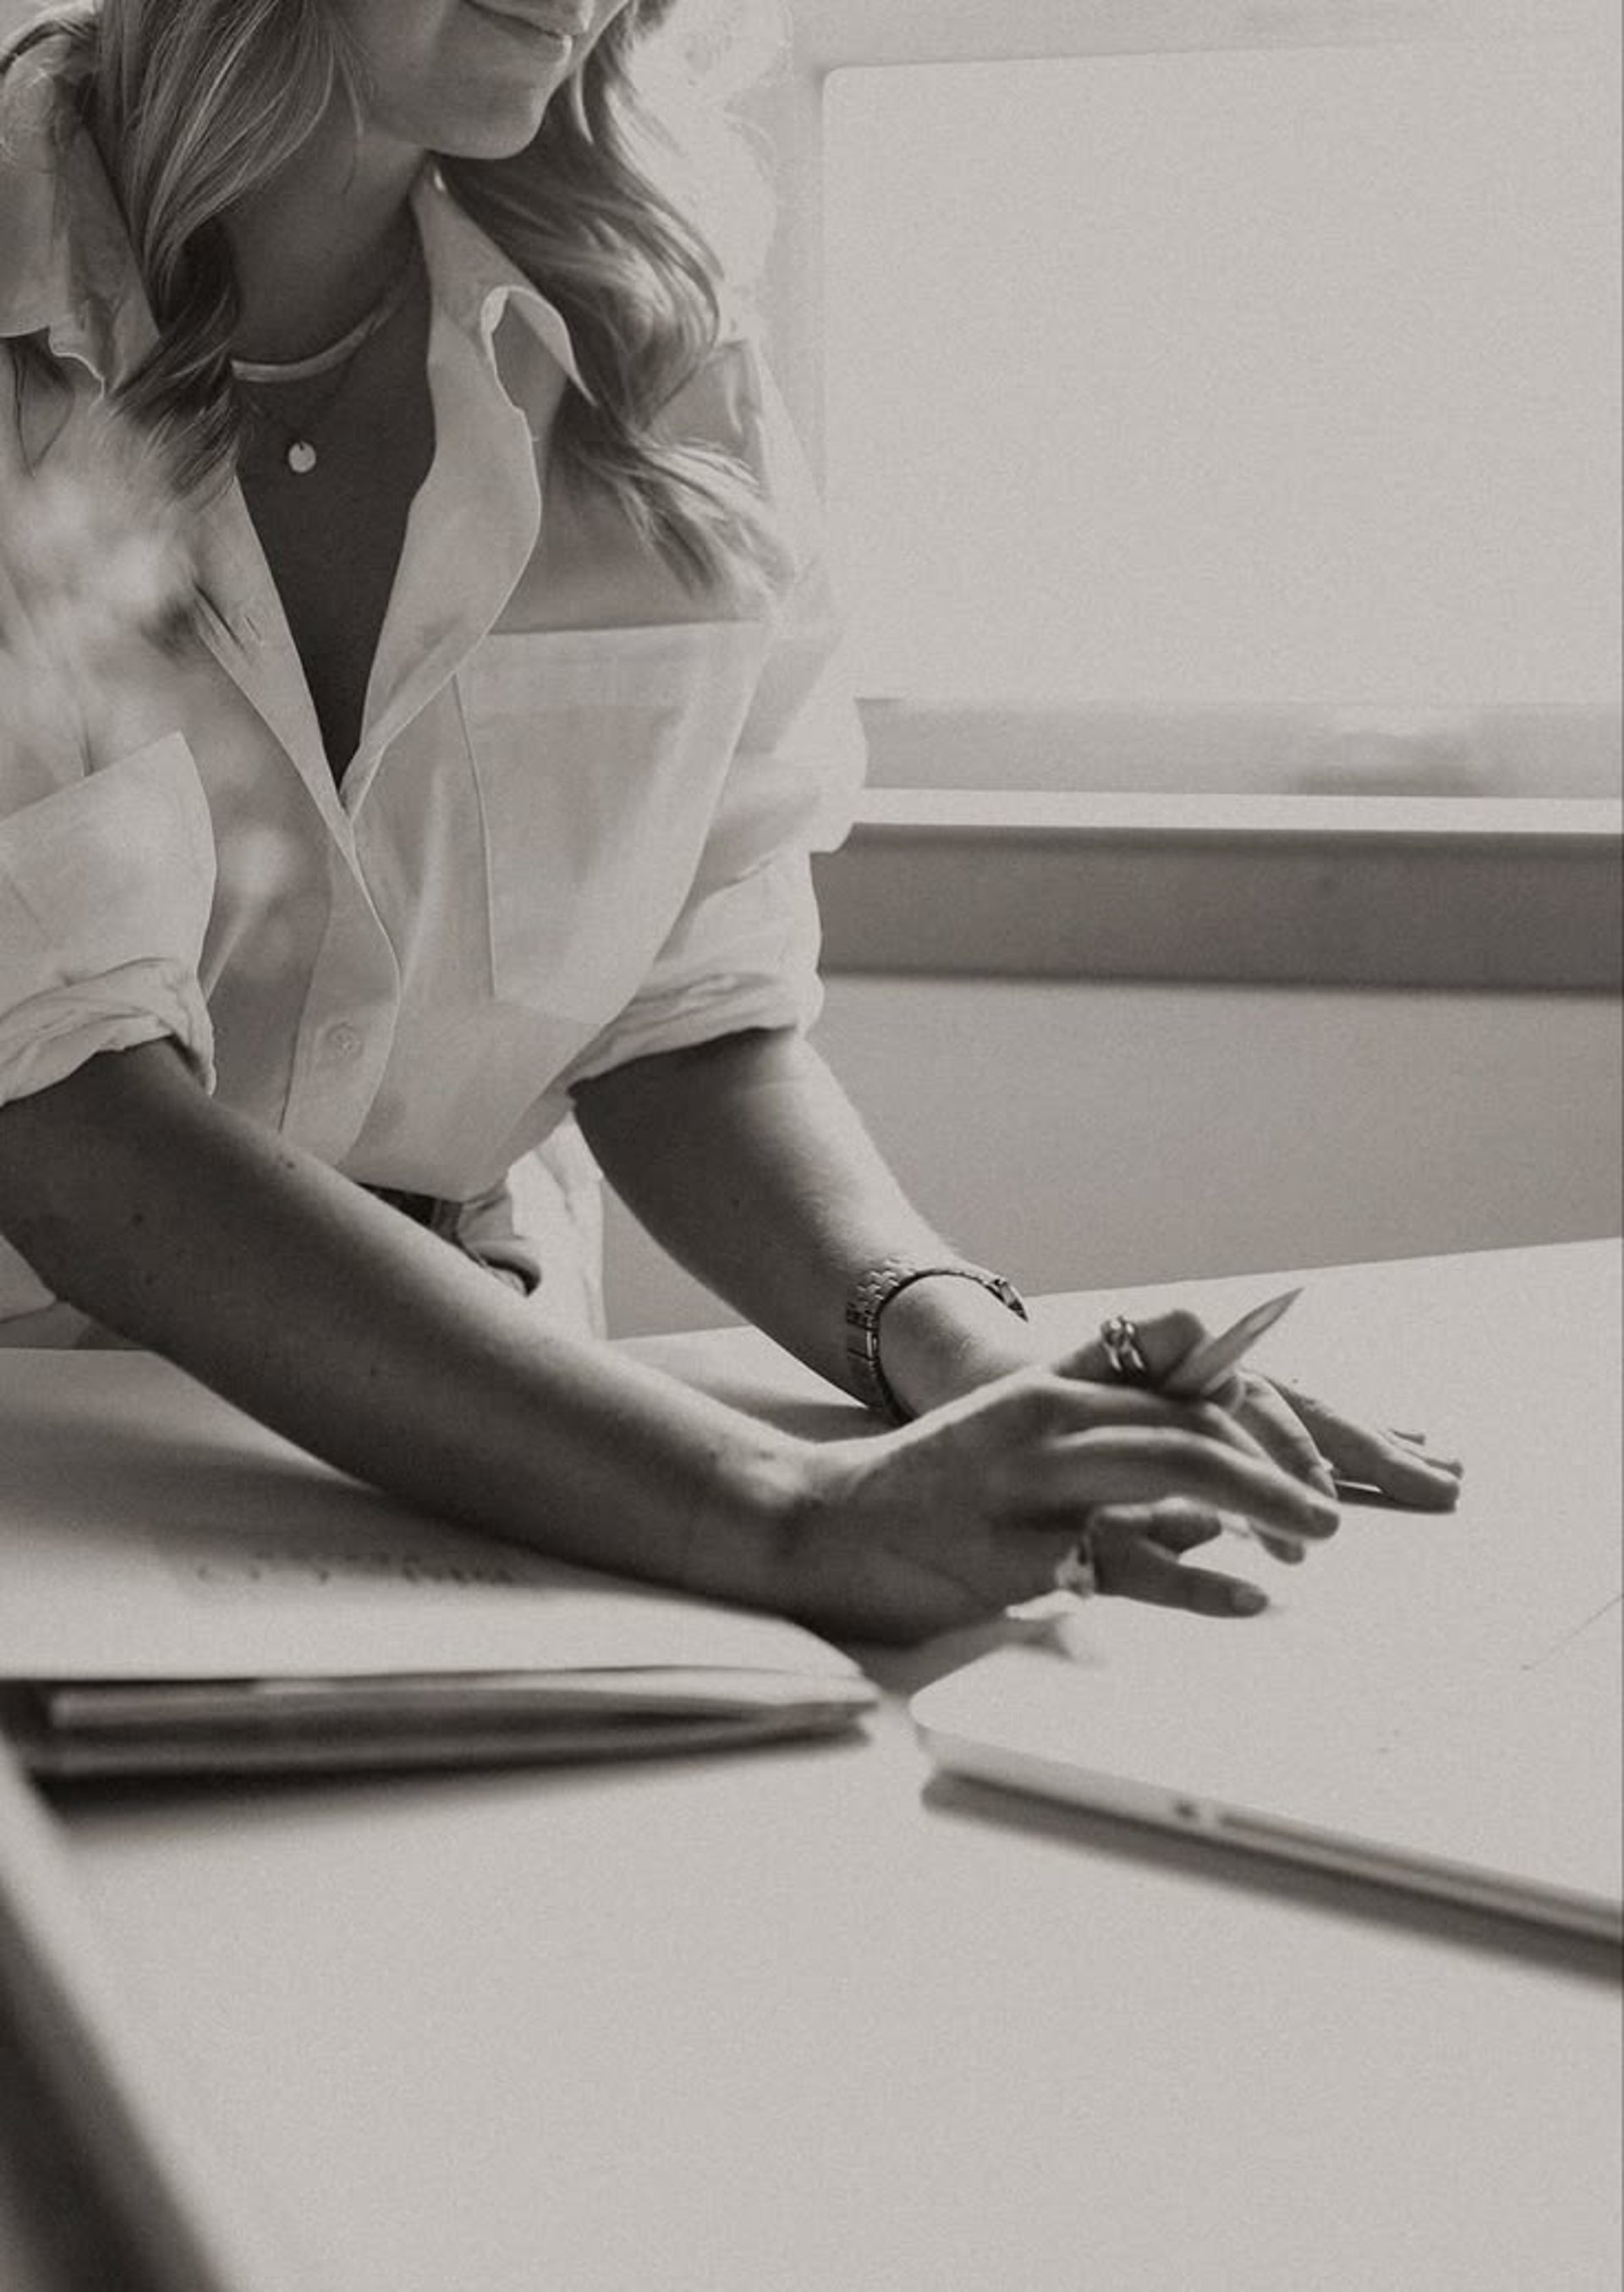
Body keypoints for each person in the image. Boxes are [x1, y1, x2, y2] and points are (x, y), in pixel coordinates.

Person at [0, 0, 1460, 1647]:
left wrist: (962, 1343)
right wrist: (779, 1508)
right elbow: (66, 1117)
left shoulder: (642, 322)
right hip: (42, 1471)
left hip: (517, 1452)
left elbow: (682, 1011)